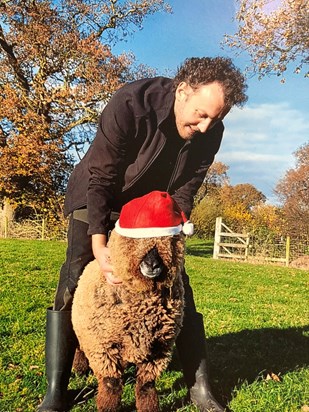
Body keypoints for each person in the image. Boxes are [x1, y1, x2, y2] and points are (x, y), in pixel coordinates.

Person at [38, 57, 248, 412]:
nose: (206, 125)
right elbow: (101, 176)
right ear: (182, 91)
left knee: (177, 283)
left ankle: (200, 389)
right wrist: (99, 242)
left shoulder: (211, 132)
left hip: (152, 212)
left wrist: (173, 235)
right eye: (201, 113)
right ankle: (57, 389)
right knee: (76, 272)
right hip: (98, 193)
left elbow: (186, 187)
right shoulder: (131, 104)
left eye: (217, 118)